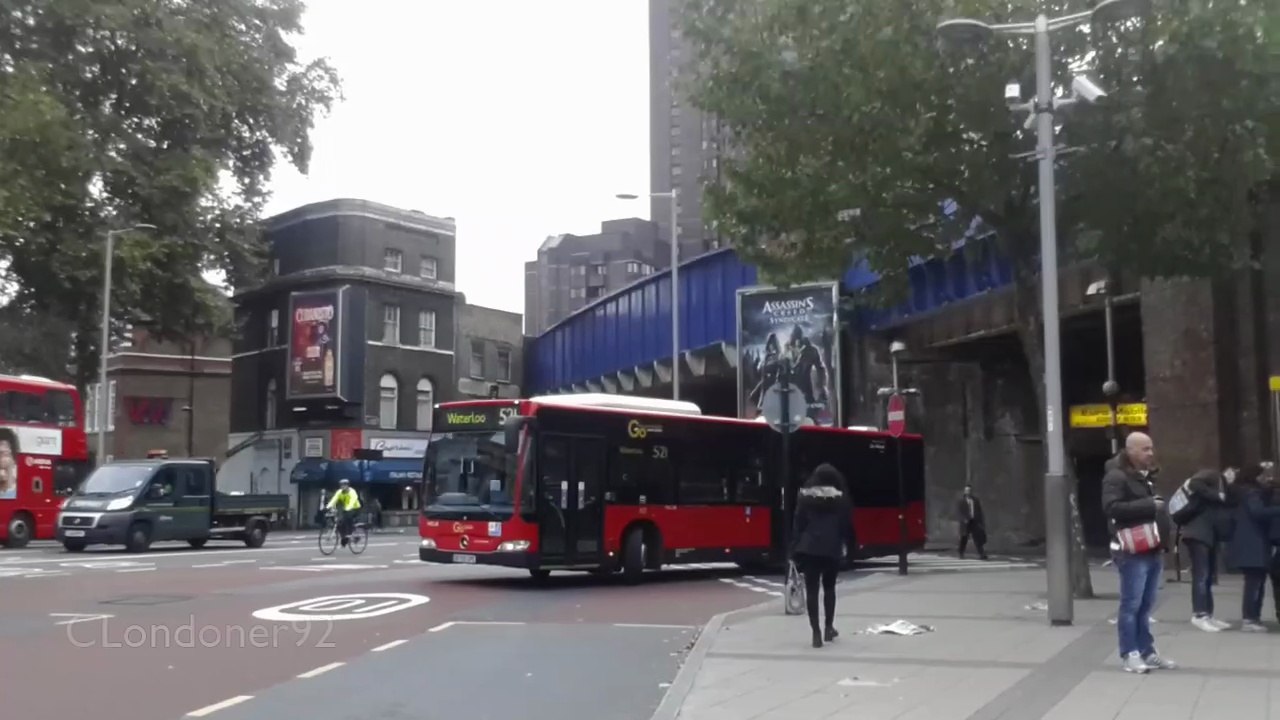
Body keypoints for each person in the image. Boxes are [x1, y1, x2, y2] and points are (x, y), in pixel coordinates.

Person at [1101, 431, 1176, 673]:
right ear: (1130, 450)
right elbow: (1111, 508)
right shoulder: (1116, 476)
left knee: (1145, 605)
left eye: (1151, 448)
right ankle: (1129, 653)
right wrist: (1148, 505)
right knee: (1131, 605)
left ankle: (1147, 651)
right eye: (1145, 449)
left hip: (1152, 548)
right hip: (1132, 550)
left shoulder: (1146, 476)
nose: (1151, 453)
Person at [791, 463, 852, 649]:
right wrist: (847, 545)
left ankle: (815, 633)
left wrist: (794, 548)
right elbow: (846, 525)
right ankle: (828, 628)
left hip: (810, 548)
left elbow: (798, 523)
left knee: (812, 590)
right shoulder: (840, 499)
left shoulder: (805, 496)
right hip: (831, 547)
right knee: (830, 588)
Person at [1174, 469, 1234, 632]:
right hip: (1198, 534)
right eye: (1232, 472)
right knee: (1202, 575)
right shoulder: (1212, 475)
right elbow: (1195, 482)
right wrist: (1216, 495)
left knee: (1207, 576)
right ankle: (1199, 614)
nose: (1232, 475)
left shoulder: (1221, 486)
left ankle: (1208, 614)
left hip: (1207, 535)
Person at [1226, 463, 1280, 632]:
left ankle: (1253, 618)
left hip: (1252, 543)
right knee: (1254, 583)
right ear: (1255, 476)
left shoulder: (1246, 491)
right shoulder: (1251, 493)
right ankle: (1250, 619)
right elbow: (1258, 512)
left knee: (1256, 582)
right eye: (1264, 475)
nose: (1267, 478)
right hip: (1252, 544)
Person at [955, 484, 988, 560]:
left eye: (969, 490)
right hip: (965, 522)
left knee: (977, 539)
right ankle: (961, 552)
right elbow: (959, 512)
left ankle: (982, 554)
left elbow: (979, 511)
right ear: (964, 492)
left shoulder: (975, 500)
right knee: (964, 538)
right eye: (967, 490)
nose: (968, 492)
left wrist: (981, 522)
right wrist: (963, 519)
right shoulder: (961, 501)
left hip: (974, 522)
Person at [326, 479, 362, 546]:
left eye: (344, 485)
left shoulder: (352, 492)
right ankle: (344, 537)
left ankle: (349, 533)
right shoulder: (339, 492)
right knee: (339, 522)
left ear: (348, 486)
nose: (342, 487)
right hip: (346, 509)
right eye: (341, 485)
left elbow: (353, 500)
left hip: (355, 508)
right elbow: (334, 499)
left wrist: (348, 508)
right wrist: (328, 507)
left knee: (347, 518)